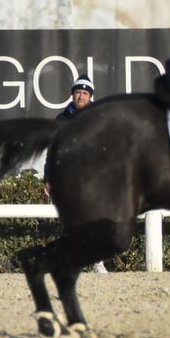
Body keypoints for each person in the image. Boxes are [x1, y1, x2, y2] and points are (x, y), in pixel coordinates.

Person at [44, 74, 108, 274]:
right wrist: (48, 177)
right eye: (78, 92)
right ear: (72, 95)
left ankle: (97, 261)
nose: (80, 96)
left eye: (84, 93)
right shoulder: (61, 120)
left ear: (90, 96)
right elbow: (52, 151)